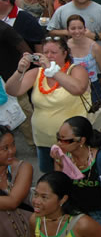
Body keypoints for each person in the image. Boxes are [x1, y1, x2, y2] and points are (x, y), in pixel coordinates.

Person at [5, 38, 89, 173]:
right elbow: (12, 91)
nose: (49, 56)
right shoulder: (36, 73)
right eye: (46, 52)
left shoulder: (76, 70)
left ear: (65, 53)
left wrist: (53, 71)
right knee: (51, 178)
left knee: (77, 176)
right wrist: (19, 71)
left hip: (73, 141)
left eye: (54, 52)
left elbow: (77, 89)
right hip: (44, 141)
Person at [30, 172, 101, 237]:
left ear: (63, 199)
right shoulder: (34, 220)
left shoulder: (82, 224)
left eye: (44, 197)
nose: (36, 201)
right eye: (36, 194)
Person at [0, 126, 33, 237]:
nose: (12, 151)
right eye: (5, 148)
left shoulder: (23, 168)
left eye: (13, 145)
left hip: (25, 228)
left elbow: (13, 202)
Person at [66, 15, 101, 106]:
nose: (77, 31)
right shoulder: (65, 47)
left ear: (85, 28)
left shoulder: (94, 47)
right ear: (68, 30)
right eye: (73, 28)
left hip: (92, 86)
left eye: (80, 28)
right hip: (71, 86)